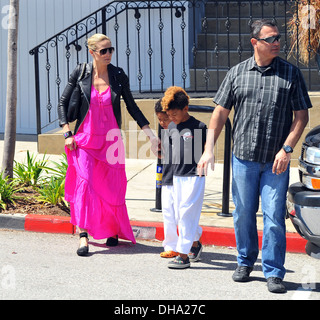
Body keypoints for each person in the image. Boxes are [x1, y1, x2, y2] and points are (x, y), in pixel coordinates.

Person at [197, 19, 312, 292]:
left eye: (278, 38)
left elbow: (301, 116)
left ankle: (274, 272)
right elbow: (220, 112)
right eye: (270, 39)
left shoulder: (291, 74)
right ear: (255, 43)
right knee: (243, 214)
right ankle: (245, 262)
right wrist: (208, 149)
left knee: (273, 217)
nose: (277, 43)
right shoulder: (237, 73)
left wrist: (287, 149)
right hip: (243, 159)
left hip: (276, 162)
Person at [57, 33, 160, 256]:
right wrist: (67, 132)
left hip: (111, 142)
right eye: (103, 51)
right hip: (84, 140)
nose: (108, 54)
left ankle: (112, 230)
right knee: (85, 186)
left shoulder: (118, 75)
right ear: (92, 52)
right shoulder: (81, 73)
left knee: (112, 188)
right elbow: (63, 103)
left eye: (111, 49)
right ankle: (83, 235)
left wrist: (151, 136)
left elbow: (132, 107)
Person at [160, 86, 207, 269]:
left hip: (195, 175)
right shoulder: (171, 127)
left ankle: (183, 255)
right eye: (169, 115)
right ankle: (195, 243)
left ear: (185, 109)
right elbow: (170, 152)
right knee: (181, 214)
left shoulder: (199, 127)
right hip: (177, 176)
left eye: (174, 114)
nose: (171, 119)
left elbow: (205, 150)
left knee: (187, 212)